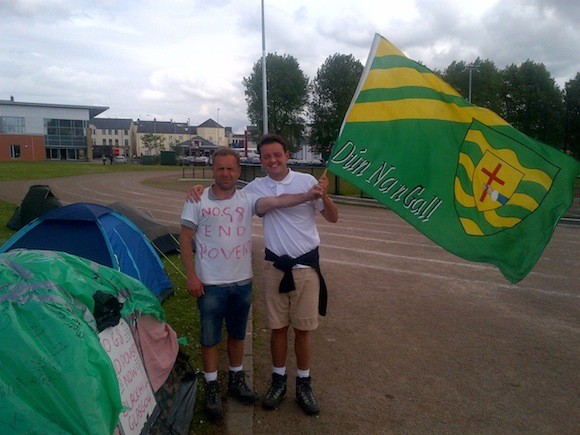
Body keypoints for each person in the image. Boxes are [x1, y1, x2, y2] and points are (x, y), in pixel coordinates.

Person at [189, 134, 338, 415]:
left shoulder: (308, 180)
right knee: (278, 329)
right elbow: (239, 196)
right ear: (260, 160)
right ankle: (278, 380)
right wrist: (199, 188)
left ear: (287, 154)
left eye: (277, 155)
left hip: (306, 269)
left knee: (304, 331)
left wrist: (323, 195)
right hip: (274, 269)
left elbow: (332, 217)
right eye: (266, 156)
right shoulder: (256, 188)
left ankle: (304, 383)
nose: (272, 160)